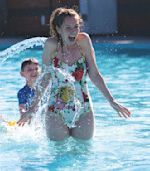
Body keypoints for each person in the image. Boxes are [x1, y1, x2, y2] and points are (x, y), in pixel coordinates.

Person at [18, 7, 131, 141]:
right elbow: (45, 78)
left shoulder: (83, 41)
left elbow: (94, 74)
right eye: (68, 28)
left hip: (84, 109)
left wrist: (111, 101)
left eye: (76, 26)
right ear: (58, 29)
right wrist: (32, 109)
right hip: (56, 111)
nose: (73, 31)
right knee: (58, 157)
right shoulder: (51, 45)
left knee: (83, 154)